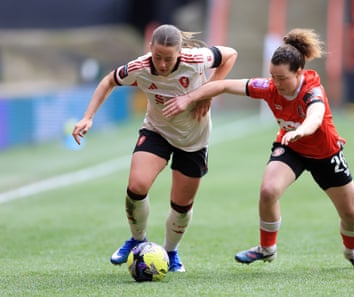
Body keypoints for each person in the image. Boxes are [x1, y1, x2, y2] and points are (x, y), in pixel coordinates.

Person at [163, 28, 354, 269]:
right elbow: (224, 86)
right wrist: (191, 98)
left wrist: (300, 131)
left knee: (350, 215)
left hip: (325, 154)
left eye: (282, 78)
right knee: (269, 191)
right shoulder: (270, 87)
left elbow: (315, 117)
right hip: (291, 148)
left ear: (299, 73)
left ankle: (352, 251)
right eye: (273, 77)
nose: (276, 83)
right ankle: (266, 249)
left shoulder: (312, 91)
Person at [72, 24, 237, 272]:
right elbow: (108, 81)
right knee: (136, 187)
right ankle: (137, 240)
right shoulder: (139, 67)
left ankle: (171, 253)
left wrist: (206, 92)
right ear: (150, 49)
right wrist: (88, 117)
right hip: (157, 131)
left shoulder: (197, 59)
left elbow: (230, 54)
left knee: (181, 206)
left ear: (180, 52)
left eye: (168, 58)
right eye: (157, 56)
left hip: (193, 140)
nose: (161, 64)